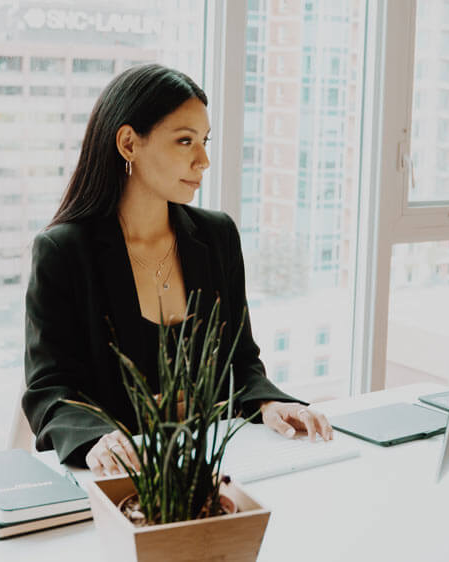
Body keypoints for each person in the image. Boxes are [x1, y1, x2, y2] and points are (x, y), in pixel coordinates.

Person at [22, 64, 333, 477]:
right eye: (185, 141)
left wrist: (268, 403)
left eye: (204, 141)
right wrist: (97, 438)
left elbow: (241, 360)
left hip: (216, 468)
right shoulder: (64, 251)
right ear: (129, 143)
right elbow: (50, 388)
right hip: (121, 477)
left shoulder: (217, 235)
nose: (203, 160)